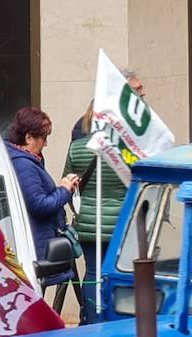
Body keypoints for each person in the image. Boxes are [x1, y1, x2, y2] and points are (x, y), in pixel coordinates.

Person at [62, 72, 144, 323]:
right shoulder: (126, 150)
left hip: (88, 224)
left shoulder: (77, 147)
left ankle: (92, 320)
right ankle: (118, 321)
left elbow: (68, 182)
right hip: (121, 224)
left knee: (93, 272)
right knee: (122, 273)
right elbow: (139, 183)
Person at [7, 107, 79, 263]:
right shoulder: (23, 164)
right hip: (37, 244)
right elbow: (39, 205)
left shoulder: (25, 159)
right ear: (29, 138)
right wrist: (64, 190)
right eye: (43, 138)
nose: (46, 144)